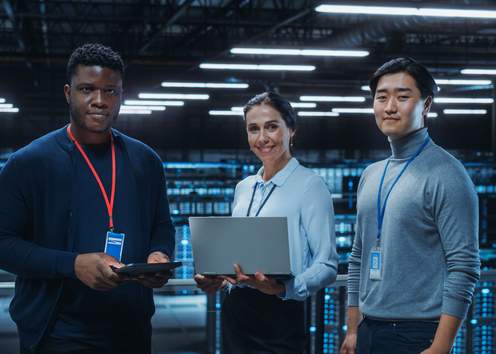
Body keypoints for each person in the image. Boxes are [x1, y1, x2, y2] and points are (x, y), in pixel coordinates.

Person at [0, 43, 175, 354]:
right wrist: (73, 265)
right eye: (87, 89)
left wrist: (158, 256)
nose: (99, 101)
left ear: (121, 95)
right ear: (68, 93)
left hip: (131, 330)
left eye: (110, 91)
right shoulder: (28, 163)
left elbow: (162, 225)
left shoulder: (145, 161)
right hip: (57, 333)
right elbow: (3, 243)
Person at [340, 57, 480, 354]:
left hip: (417, 335)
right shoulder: (371, 174)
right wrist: (353, 329)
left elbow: (464, 267)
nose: (390, 106)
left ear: (426, 105)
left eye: (403, 97)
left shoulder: (447, 174)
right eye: (381, 97)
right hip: (368, 329)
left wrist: (441, 346)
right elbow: (357, 257)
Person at [195, 91, 338, 354]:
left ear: (291, 129)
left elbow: (327, 264)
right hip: (236, 312)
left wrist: (283, 288)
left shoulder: (310, 186)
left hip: (279, 314)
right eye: (253, 129)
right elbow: (238, 257)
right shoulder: (244, 188)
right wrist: (218, 277)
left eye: (272, 127)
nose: (262, 138)